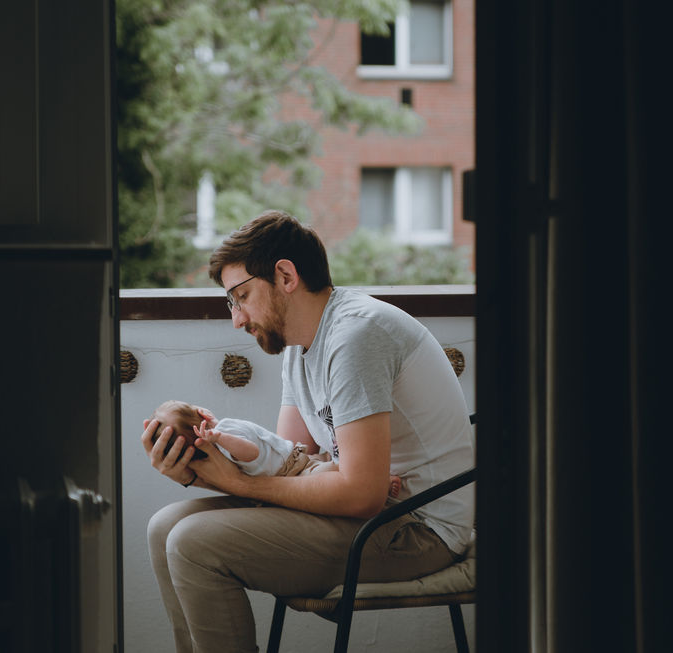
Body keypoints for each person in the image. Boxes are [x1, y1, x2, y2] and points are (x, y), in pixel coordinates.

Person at [142, 210, 474, 653]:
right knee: (165, 526)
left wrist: (239, 482)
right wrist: (200, 463)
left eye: (241, 296)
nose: (237, 320)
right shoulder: (300, 348)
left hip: (416, 527)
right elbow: (293, 459)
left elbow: (361, 493)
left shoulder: (356, 337)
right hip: (372, 516)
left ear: (285, 275)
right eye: (230, 303)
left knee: (192, 542)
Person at [151, 399, 403, 495]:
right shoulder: (224, 438)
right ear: (202, 413)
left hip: (297, 461)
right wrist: (219, 438)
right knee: (333, 471)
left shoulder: (222, 440)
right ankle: (380, 481)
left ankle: (373, 480)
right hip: (295, 474)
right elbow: (252, 452)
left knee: (335, 466)